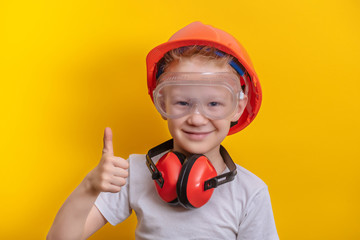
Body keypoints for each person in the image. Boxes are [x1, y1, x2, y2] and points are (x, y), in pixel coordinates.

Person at [47, 22, 279, 240]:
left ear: (237, 108)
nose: (197, 119)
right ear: (163, 104)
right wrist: (89, 187)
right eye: (182, 103)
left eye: (214, 104)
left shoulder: (250, 193)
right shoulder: (134, 173)